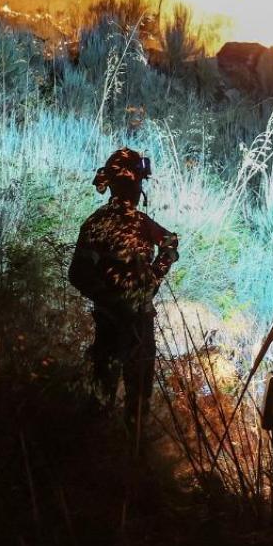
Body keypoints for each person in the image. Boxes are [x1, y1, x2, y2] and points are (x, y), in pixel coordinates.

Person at [68, 147, 180, 432]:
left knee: (135, 402)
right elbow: (79, 273)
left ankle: (127, 455)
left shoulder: (133, 223)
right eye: (135, 182)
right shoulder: (102, 224)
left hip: (137, 322)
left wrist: (153, 278)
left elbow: (170, 242)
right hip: (113, 323)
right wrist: (116, 303)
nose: (136, 188)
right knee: (103, 398)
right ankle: (105, 454)